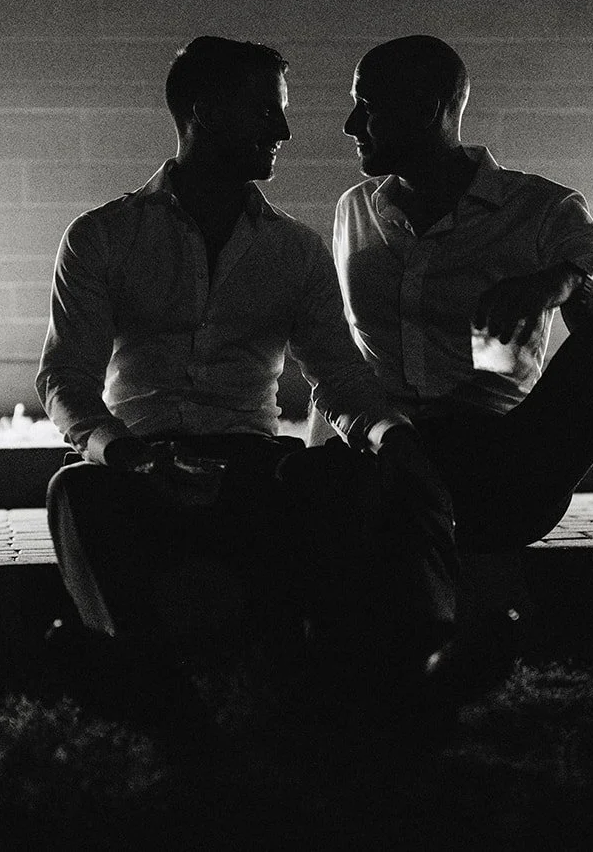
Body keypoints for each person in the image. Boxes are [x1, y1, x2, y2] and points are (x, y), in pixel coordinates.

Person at [328, 34, 593, 715]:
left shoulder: (542, 208)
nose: (352, 124)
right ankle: (442, 650)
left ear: (433, 107)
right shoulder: (354, 212)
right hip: (399, 458)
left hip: (503, 456)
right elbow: (339, 360)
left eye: (369, 107)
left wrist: (561, 282)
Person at [35, 36, 455, 731]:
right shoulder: (103, 236)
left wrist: (393, 436)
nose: (284, 131)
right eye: (265, 110)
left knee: (349, 479)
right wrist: (125, 452)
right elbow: (65, 377)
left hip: (252, 469)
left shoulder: (294, 250)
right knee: (74, 490)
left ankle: (379, 681)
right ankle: (159, 701)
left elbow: (341, 378)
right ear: (202, 110)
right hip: (145, 464)